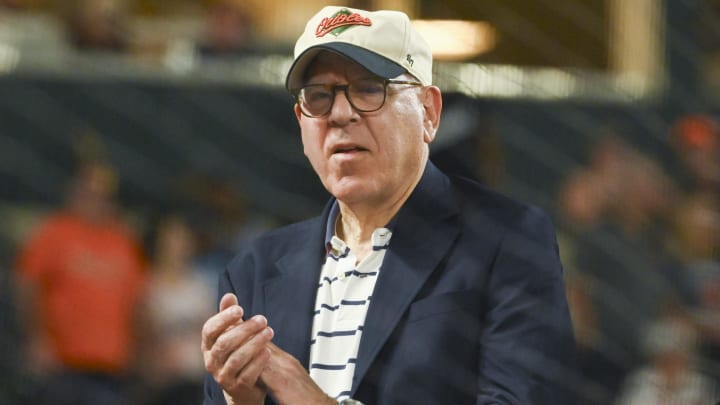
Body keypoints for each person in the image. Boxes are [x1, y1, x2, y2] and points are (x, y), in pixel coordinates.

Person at [201, 6, 575, 405]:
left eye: (368, 89)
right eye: (318, 96)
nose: (340, 114)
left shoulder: (507, 241)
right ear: (301, 121)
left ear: (428, 112)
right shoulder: (253, 271)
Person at [14, 160, 147, 405]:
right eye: (88, 193)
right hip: (63, 362)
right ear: (74, 192)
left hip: (113, 365)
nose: (94, 201)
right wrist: (36, 338)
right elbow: (26, 287)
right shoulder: (54, 233)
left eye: (101, 196)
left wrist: (139, 351)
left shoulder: (123, 241)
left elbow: (137, 302)